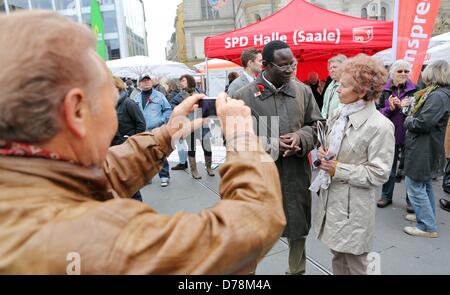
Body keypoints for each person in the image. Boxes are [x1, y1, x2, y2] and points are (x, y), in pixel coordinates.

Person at [0, 10, 286, 274]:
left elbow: (103, 171)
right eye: (110, 104)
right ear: (76, 111)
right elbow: (251, 223)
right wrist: (240, 133)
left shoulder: (22, 175)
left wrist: (168, 132)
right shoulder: (92, 238)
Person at [234, 40, 322, 275]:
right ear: (265, 65)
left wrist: (301, 138)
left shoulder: (302, 91)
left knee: (298, 229)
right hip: (259, 179)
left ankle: (297, 271)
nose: (290, 70)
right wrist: (271, 144)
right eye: (283, 66)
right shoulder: (244, 96)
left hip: (295, 175)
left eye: (292, 64)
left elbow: (318, 126)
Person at [312, 54, 395, 275]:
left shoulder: (380, 126)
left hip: (354, 207)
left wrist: (338, 169)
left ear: (361, 90)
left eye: (343, 85)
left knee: (358, 263)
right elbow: (332, 146)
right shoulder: (340, 113)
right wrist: (325, 151)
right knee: (338, 254)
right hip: (334, 200)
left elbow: (379, 173)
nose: (337, 89)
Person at [403, 60, 450, 238]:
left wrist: (408, 120)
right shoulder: (438, 93)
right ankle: (426, 217)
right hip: (426, 145)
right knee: (423, 183)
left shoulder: (437, 96)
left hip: (424, 147)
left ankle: (427, 226)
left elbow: (423, 123)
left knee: (414, 184)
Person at [376, 60, 417, 211]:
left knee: (408, 169)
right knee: (389, 168)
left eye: (406, 71)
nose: (403, 74)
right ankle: (386, 196)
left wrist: (408, 107)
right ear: (392, 73)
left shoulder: (415, 90)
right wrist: (390, 108)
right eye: (400, 71)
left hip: (409, 134)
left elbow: (419, 113)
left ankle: (411, 200)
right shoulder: (384, 90)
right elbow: (377, 113)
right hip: (389, 134)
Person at [110, 76, 146, 202]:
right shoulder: (108, 105)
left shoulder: (128, 103)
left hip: (127, 150)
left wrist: (131, 140)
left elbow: (141, 124)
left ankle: (138, 210)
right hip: (112, 151)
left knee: (130, 183)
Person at [134, 73, 172, 187]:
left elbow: (168, 110)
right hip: (143, 131)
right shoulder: (136, 98)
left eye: (148, 80)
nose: (146, 83)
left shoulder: (159, 96)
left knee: (160, 153)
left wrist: (161, 120)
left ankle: (164, 176)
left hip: (157, 130)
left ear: (151, 82)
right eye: (143, 81)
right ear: (139, 84)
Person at [321, 54, 346, 119]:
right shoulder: (330, 86)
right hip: (328, 125)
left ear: (344, 68)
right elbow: (324, 107)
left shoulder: (348, 85)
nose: (331, 70)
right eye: (330, 68)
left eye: (334, 67)